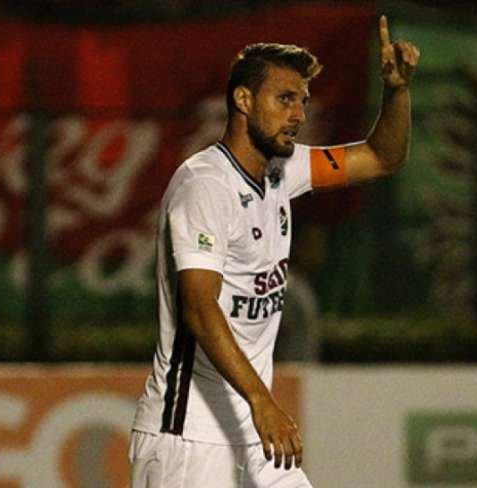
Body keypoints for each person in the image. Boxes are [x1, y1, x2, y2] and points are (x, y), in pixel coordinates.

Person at [130, 15, 420, 488]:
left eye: (302, 102)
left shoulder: (285, 170)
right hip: (188, 437)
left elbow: (383, 157)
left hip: (255, 434)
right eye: (285, 99)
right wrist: (262, 400)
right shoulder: (205, 187)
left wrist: (396, 92)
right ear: (243, 100)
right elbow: (200, 310)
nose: (299, 114)